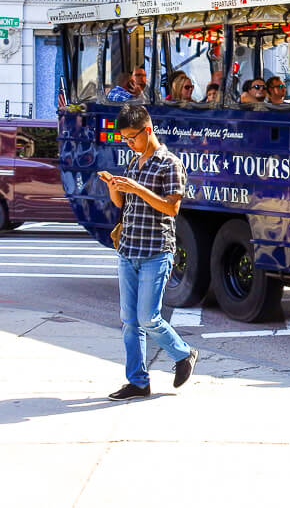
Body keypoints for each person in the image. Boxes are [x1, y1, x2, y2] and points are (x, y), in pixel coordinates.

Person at [96, 104, 197, 400]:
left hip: (156, 251)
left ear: (147, 130)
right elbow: (121, 205)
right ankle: (138, 381)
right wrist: (114, 187)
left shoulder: (170, 164)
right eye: (125, 139)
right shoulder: (133, 163)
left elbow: (171, 207)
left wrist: (137, 188)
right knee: (129, 319)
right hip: (129, 249)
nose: (129, 143)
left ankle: (183, 354)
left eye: (131, 138)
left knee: (148, 317)